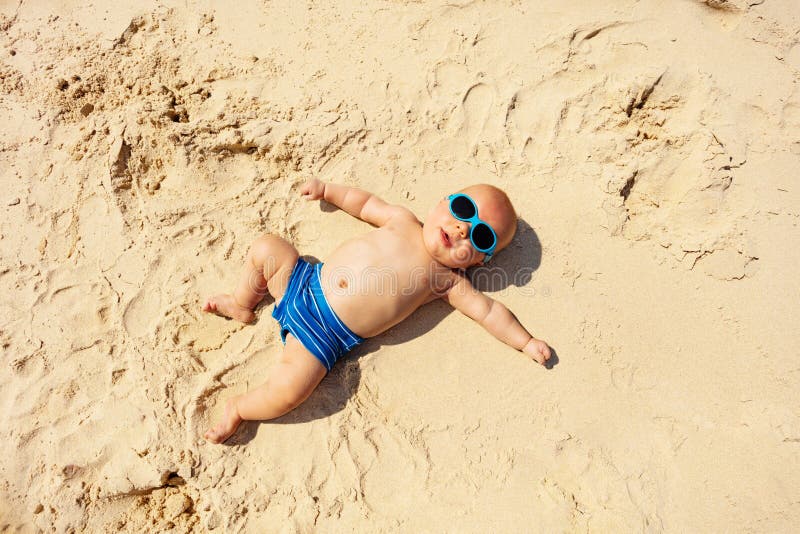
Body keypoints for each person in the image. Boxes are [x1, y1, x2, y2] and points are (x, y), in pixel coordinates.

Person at [202, 178, 551, 443]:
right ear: (441, 204)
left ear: (479, 261)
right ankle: (241, 302)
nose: (463, 228)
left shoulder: (447, 281)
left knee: (290, 391)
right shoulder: (401, 219)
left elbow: (488, 312)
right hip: (304, 281)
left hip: (324, 336)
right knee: (268, 247)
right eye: (463, 209)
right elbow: (365, 204)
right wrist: (327, 190)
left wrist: (525, 341)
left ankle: (239, 407)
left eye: (481, 237)